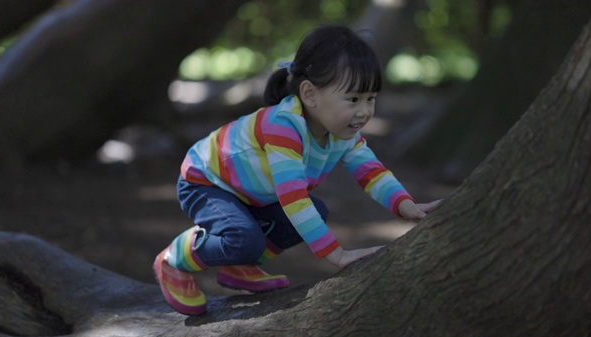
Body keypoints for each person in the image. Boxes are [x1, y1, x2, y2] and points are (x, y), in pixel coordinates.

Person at [153, 25, 442, 315]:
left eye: (371, 99)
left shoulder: (344, 134)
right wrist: (335, 254)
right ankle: (173, 259)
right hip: (206, 180)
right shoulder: (284, 126)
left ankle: (239, 264)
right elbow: (292, 198)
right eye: (353, 99)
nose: (365, 111)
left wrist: (405, 205)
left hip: (251, 192)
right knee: (244, 238)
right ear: (310, 94)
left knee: (313, 214)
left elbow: (372, 173)